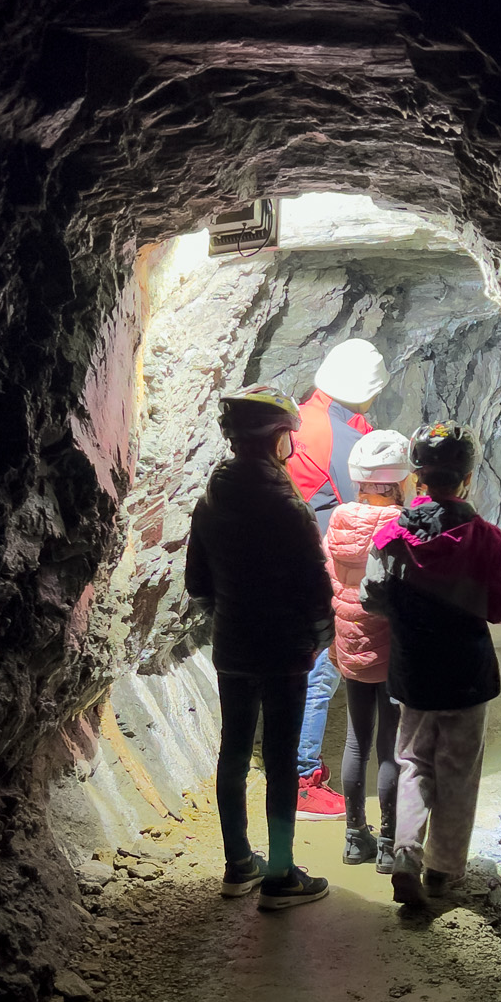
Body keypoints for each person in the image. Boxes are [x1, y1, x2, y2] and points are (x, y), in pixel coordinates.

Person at [183, 385, 331, 911]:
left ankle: (238, 864)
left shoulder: (211, 499)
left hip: (233, 647)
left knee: (234, 752)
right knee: (281, 758)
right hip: (284, 650)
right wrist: (319, 639)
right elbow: (316, 587)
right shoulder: (287, 504)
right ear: (277, 439)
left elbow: (197, 584)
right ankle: (281, 875)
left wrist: (234, 611)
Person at [361, 420, 501, 909]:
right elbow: (500, 607)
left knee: (413, 762)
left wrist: (410, 612)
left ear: (419, 478)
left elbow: (371, 598)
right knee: (458, 770)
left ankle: (405, 855)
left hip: (414, 672)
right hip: (468, 675)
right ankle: (441, 871)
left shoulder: (390, 536)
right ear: (466, 477)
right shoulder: (485, 537)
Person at [285, 337, 390, 818]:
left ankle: (299, 770)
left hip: (292, 566)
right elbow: (367, 505)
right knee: (320, 675)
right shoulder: (339, 436)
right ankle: (302, 780)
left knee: (306, 672)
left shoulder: (302, 417)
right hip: (325, 571)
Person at [322, 429, 413, 870]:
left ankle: (355, 837)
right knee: (391, 747)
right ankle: (390, 843)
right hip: (392, 652)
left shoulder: (339, 520)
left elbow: (329, 582)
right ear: (398, 481)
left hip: (351, 648)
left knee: (356, 741)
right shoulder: (403, 525)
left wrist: (338, 647)